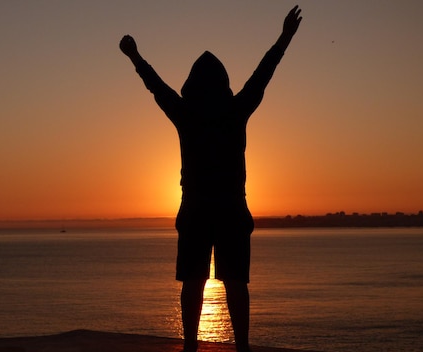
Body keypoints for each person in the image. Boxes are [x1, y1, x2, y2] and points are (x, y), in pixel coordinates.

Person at [119, 5, 302, 352]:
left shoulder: (187, 114)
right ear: (223, 85)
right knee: (234, 281)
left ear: (192, 86)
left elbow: (157, 88)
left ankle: (190, 346)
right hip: (231, 207)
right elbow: (264, 73)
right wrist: (284, 37)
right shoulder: (235, 110)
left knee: (193, 280)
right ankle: (242, 347)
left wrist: (136, 57)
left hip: (198, 208)